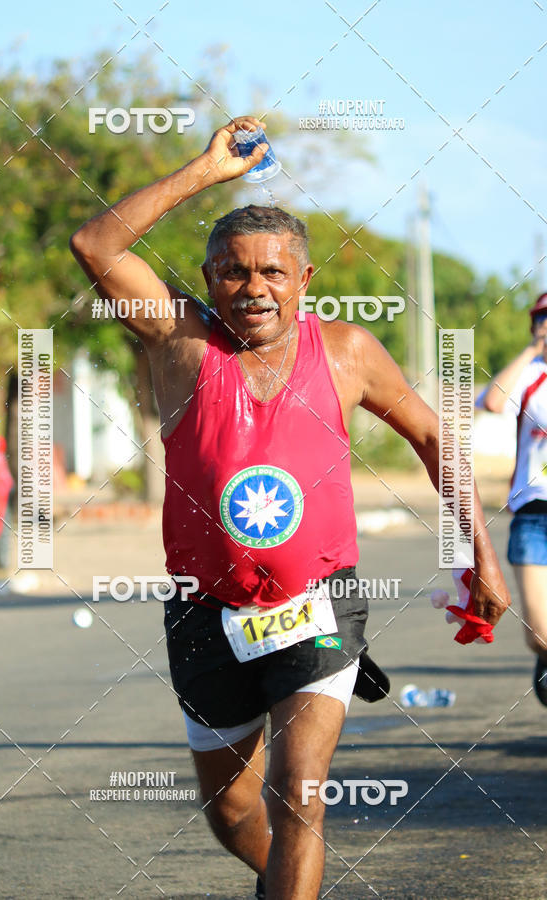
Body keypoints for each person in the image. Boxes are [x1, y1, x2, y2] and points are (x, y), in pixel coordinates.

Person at [70, 115, 510, 900]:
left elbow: (436, 439)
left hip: (320, 606)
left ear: (304, 281)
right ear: (209, 281)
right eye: (234, 272)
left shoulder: (345, 353)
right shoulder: (181, 343)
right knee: (234, 813)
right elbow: (96, 247)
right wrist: (207, 171)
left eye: (274, 272)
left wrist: (479, 553)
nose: (254, 288)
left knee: (299, 793)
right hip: (204, 611)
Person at [482, 294, 547, 706]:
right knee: (541, 633)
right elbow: (491, 401)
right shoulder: (531, 375)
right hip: (535, 515)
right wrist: (532, 348)